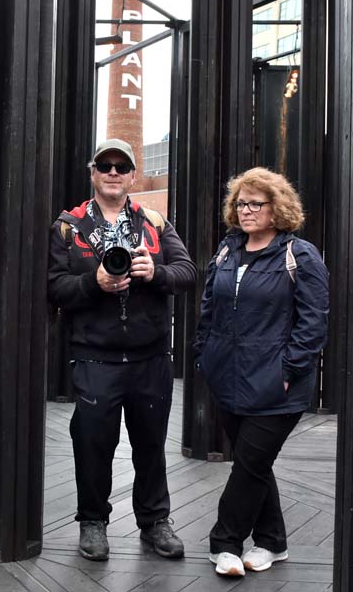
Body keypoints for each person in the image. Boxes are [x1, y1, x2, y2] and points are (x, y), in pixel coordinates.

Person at [48, 139, 197, 561]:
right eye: (105, 166)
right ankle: (92, 521)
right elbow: (54, 286)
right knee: (92, 444)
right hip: (96, 356)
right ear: (93, 173)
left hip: (151, 357)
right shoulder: (68, 226)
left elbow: (187, 272)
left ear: (133, 176)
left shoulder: (154, 221)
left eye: (122, 166)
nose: (113, 173)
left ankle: (154, 523)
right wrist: (94, 283)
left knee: (151, 445)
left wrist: (156, 271)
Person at [194, 167, 329, 577]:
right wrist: (205, 354)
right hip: (228, 379)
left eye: (256, 203)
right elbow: (208, 309)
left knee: (249, 464)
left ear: (278, 208)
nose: (246, 210)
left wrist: (289, 369)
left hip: (276, 386)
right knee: (257, 463)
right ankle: (272, 541)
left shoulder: (299, 255)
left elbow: (314, 322)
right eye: (241, 203)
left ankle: (225, 543)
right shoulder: (227, 250)